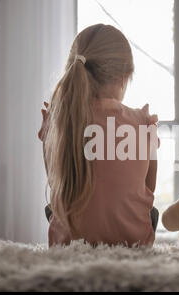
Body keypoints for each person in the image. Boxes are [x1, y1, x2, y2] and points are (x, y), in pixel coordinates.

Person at [38, 24, 159, 247]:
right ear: (124, 77)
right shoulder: (143, 123)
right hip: (133, 244)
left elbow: (57, 182)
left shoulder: (59, 122)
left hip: (69, 245)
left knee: (55, 207)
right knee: (150, 212)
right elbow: (148, 190)